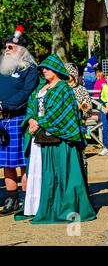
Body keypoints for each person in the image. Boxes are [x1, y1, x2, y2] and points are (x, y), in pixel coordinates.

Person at [17, 53, 96, 223]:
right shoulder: (40, 88)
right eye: (43, 68)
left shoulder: (64, 88)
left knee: (59, 173)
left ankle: (58, 206)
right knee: (39, 171)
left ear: (56, 70)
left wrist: (38, 122)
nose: (44, 70)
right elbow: (31, 106)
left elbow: (61, 113)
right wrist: (31, 120)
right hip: (38, 136)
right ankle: (36, 205)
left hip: (57, 138)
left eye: (47, 68)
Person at [0, 26, 39, 216]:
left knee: (24, 162)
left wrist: (4, 105)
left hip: (20, 119)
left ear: (22, 50)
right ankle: (11, 198)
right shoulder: (2, 68)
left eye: (11, 48)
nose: (7, 50)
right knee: (6, 163)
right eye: (6, 47)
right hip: (2, 121)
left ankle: (26, 199)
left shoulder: (30, 70)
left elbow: (26, 94)